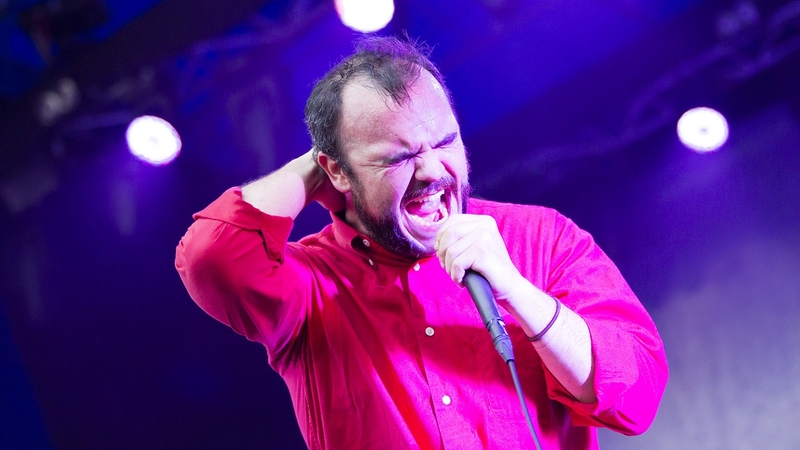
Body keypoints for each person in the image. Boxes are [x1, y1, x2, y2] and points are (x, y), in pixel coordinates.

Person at [175, 35, 668, 449]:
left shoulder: (540, 237)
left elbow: (637, 396)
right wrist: (311, 171)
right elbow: (210, 259)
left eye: (445, 142)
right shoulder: (311, 283)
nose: (432, 171)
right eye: (398, 157)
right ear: (338, 171)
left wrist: (517, 292)